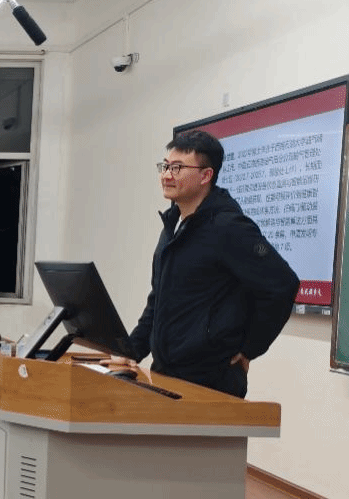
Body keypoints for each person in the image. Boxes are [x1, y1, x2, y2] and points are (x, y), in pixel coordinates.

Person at [111, 131, 299, 398]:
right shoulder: (173, 227)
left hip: (211, 381)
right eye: (165, 166)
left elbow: (282, 284)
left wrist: (250, 348)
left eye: (177, 168)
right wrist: (130, 352)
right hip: (167, 375)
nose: (166, 175)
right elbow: (158, 301)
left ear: (205, 175)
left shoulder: (228, 227)